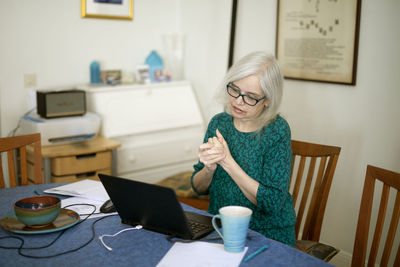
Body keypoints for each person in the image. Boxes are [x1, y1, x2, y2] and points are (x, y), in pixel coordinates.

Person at [191, 51, 296, 247]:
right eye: (235, 90)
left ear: (268, 100)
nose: (238, 101)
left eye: (251, 97)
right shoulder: (219, 122)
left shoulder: (277, 130)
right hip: (220, 227)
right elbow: (197, 188)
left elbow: (271, 203)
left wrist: (227, 161)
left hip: (266, 233)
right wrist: (208, 169)